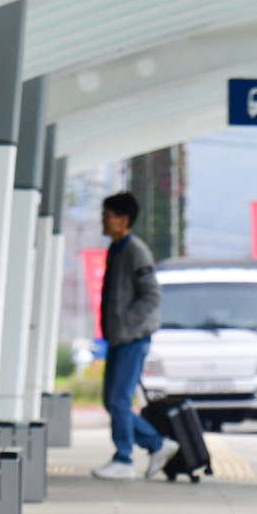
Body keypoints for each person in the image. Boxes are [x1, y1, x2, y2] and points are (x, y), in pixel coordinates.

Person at [91, 192, 178, 480]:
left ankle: (124, 457)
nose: (103, 221)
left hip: (132, 338)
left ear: (124, 220)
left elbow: (152, 294)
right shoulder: (115, 249)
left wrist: (127, 321)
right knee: (112, 400)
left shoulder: (135, 251)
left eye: (108, 216)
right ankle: (157, 444)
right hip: (118, 338)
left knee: (119, 399)